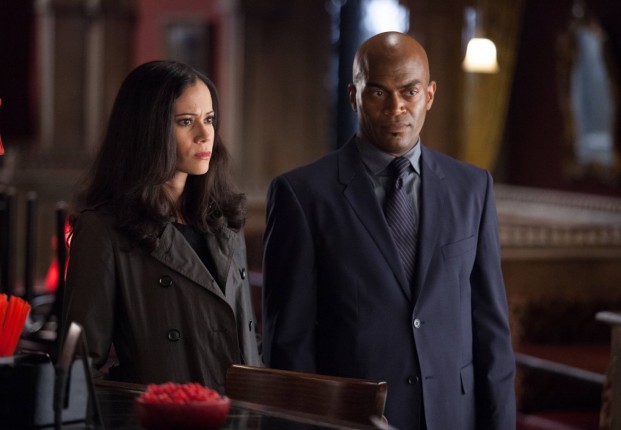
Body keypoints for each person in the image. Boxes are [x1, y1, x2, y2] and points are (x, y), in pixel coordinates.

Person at [262, 32, 515, 429]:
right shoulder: (302, 195)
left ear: (429, 95)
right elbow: (288, 345)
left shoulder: (472, 188)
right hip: (351, 420)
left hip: (452, 416)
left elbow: (492, 332)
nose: (396, 108)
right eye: (379, 92)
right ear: (354, 96)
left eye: (410, 91)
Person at [62, 60, 261, 391]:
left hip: (243, 410)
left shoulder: (225, 220)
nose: (205, 135)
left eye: (209, 119)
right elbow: (78, 367)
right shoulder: (104, 229)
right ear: (147, 131)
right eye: (186, 121)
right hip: (165, 413)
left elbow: (248, 341)